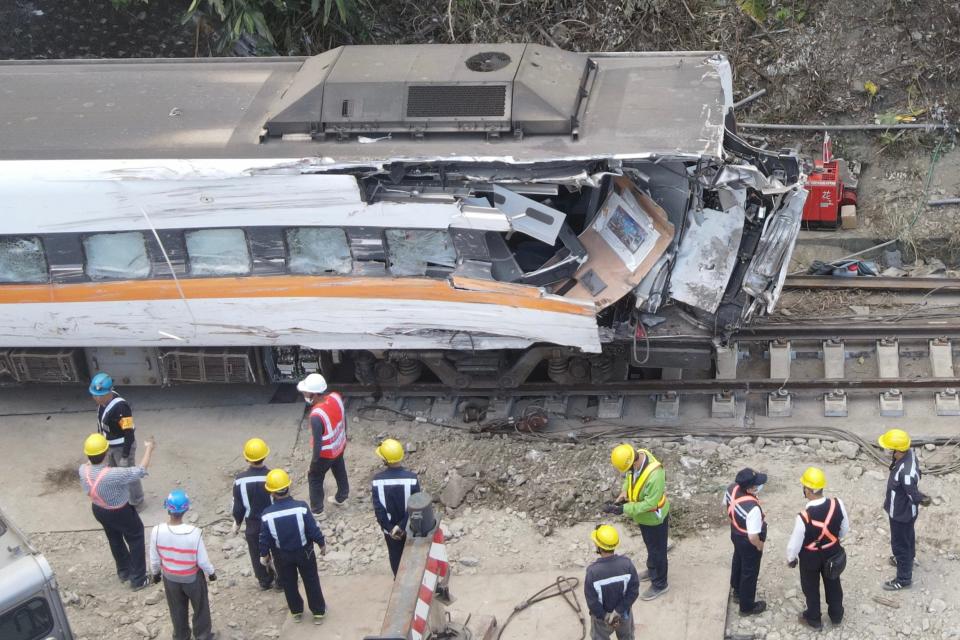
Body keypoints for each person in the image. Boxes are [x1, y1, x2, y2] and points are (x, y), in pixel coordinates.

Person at [78, 432, 154, 590]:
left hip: (99, 509)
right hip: (120, 511)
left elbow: (90, 461)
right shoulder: (113, 475)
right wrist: (149, 449)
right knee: (136, 536)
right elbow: (141, 470)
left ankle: (124, 571)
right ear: (106, 453)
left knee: (114, 538)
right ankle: (139, 579)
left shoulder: (82, 470)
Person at [259, 469, 328, 625]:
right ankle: (318, 612)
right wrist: (321, 543)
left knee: (289, 583)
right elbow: (312, 529)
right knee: (311, 580)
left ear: (271, 493)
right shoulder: (301, 507)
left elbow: (264, 538)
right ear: (288, 487)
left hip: (282, 556)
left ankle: (296, 611)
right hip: (305, 552)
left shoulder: (267, 514)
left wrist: (265, 554)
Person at [786, 467, 850, 630]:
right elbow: (844, 529)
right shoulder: (837, 503)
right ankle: (836, 615)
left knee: (810, 587)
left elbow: (795, 542)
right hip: (833, 552)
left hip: (810, 558)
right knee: (834, 583)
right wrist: (833, 541)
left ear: (808, 490)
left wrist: (791, 558)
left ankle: (814, 619)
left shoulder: (803, 517)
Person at [604, 444, 670, 600]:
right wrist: (624, 492)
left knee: (657, 551)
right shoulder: (639, 455)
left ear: (633, 462)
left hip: (654, 519)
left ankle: (660, 584)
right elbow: (630, 478)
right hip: (644, 518)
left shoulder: (655, 475)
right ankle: (653, 569)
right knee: (651, 547)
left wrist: (624, 509)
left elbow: (650, 504)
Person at [149, 489, 216, 640]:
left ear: (167, 507)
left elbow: (154, 559)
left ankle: (181, 636)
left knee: (177, 609)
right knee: (200, 607)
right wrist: (211, 573)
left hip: (170, 578)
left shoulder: (156, 531)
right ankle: (203, 635)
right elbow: (203, 561)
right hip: (192, 578)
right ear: (186, 509)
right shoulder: (194, 532)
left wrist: (155, 574)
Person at [879, 428, 929, 591]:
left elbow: (913, 494)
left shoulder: (906, 473)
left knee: (900, 544)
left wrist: (922, 498)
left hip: (901, 514)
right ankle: (909, 559)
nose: (888, 451)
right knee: (907, 538)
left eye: (890, 449)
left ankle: (903, 578)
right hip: (904, 513)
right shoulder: (909, 456)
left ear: (898, 450)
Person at [89, 372, 144, 507]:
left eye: (100, 395)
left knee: (129, 475)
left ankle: (137, 501)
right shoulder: (102, 405)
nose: (96, 398)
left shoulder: (121, 407)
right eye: (94, 395)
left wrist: (125, 456)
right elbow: (100, 424)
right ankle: (121, 496)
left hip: (122, 446)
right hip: (109, 446)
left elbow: (129, 432)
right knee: (113, 473)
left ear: (109, 393)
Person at [298, 373, 349, 514]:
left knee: (314, 478)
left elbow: (318, 444)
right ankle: (342, 496)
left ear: (314, 394)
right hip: (339, 444)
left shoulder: (316, 415)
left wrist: (314, 462)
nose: (304, 394)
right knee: (339, 468)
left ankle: (317, 511)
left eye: (306, 392)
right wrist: (344, 438)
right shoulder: (335, 397)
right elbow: (344, 418)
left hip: (325, 454)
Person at [370, 438, 421, 576]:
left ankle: (398, 583)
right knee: (413, 556)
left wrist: (391, 528)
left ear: (384, 460)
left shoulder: (377, 481)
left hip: (390, 532)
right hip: (410, 528)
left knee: (395, 557)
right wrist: (402, 526)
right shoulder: (411, 478)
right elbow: (416, 505)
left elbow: (379, 510)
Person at [231, 437, 277, 590]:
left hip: (253, 524)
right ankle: (282, 580)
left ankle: (264, 581)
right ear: (265, 455)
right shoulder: (273, 476)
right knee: (277, 550)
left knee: (256, 552)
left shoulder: (240, 481)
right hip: (273, 522)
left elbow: (238, 507)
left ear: (246, 458)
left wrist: (237, 523)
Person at [723, 468, 768, 616]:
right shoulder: (752, 509)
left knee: (738, 559)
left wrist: (735, 523)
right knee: (750, 572)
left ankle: (736, 590)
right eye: (757, 484)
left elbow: (727, 508)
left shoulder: (731, 488)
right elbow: (753, 537)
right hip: (748, 541)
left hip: (735, 532)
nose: (759, 486)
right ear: (750, 488)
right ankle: (747, 607)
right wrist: (760, 545)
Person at [584, 524, 640, 640]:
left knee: (599, 637)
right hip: (623, 614)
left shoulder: (592, 572)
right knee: (627, 637)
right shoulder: (627, 565)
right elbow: (633, 591)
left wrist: (605, 616)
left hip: (601, 619)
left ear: (597, 545)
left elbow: (592, 601)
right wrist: (618, 611)